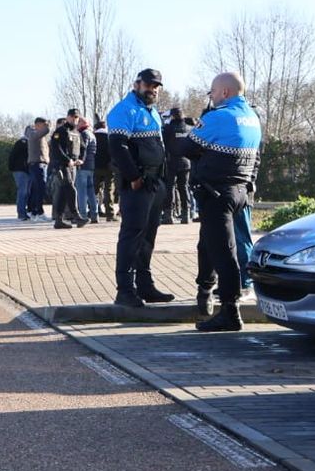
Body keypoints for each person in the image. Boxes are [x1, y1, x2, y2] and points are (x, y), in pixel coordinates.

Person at [181, 71, 262, 331]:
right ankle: (205, 292)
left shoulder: (219, 116)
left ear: (225, 92)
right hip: (240, 191)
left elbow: (187, 148)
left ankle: (230, 311)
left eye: (213, 92)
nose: (211, 96)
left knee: (224, 252)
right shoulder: (252, 117)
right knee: (207, 244)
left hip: (217, 193)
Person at [107, 68, 176, 307]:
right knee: (131, 236)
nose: (153, 90)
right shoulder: (123, 110)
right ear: (137, 84)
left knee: (148, 238)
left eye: (156, 86)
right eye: (149, 85)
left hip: (155, 183)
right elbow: (118, 147)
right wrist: (134, 177)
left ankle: (145, 286)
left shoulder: (152, 112)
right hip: (138, 184)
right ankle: (125, 290)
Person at [49, 115, 86, 228]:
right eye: (72, 117)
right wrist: (67, 159)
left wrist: (81, 159)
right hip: (62, 165)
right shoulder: (60, 131)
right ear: (68, 117)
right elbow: (56, 148)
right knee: (70, 188)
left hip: (73, 166)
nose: (75, 120)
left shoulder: (77, 132)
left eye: (76, 118)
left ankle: (59, 219)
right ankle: (77, 216)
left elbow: (83, 147)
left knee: (64, 191)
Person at [163, 108, 193, 224]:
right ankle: (186, 215)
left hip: (172, 161)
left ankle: (168, 215)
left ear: (173, 116)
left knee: (169, 187)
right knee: (184, 187)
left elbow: (164, 143)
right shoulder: (188, 128)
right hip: (186, 161)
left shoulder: (168, 128)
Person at [24, 117, 49, 220]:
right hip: (38, 164)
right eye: (44, 124)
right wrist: (49, 125)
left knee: (35, 189)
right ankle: (39, 212)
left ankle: (33, 211)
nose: (45, 127)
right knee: (40, 189)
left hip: (39, 164)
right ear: (38, 125)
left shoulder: (34, 135)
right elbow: (46, 130)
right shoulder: (34, 134)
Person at [93, 115, 117, 221]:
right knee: (109, 190)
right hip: (109, 167)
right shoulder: (110, 137)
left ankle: (93, 212)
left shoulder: (93, 136)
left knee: (94, 191)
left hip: (95, 167)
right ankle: (110, 214)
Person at [76, 115, 99, 223]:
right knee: (91, 192)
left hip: (83, 166)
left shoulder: (83, 134)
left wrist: (79, 160)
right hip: (91, 165)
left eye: (78, 122)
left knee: (82, 192)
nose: (76, 124)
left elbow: (83, 148)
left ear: (82, 123)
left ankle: (83, 215)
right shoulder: (92, 134)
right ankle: (94, 214)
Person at [8, 132, 31, 221]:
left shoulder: (26, 142)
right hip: (21, 170)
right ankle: (21, 213)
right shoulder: (22, 142)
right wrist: (13, 168)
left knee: (26, 192)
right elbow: (13, 156)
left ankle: (23, 212)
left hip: (24, 170)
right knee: (23, 192)